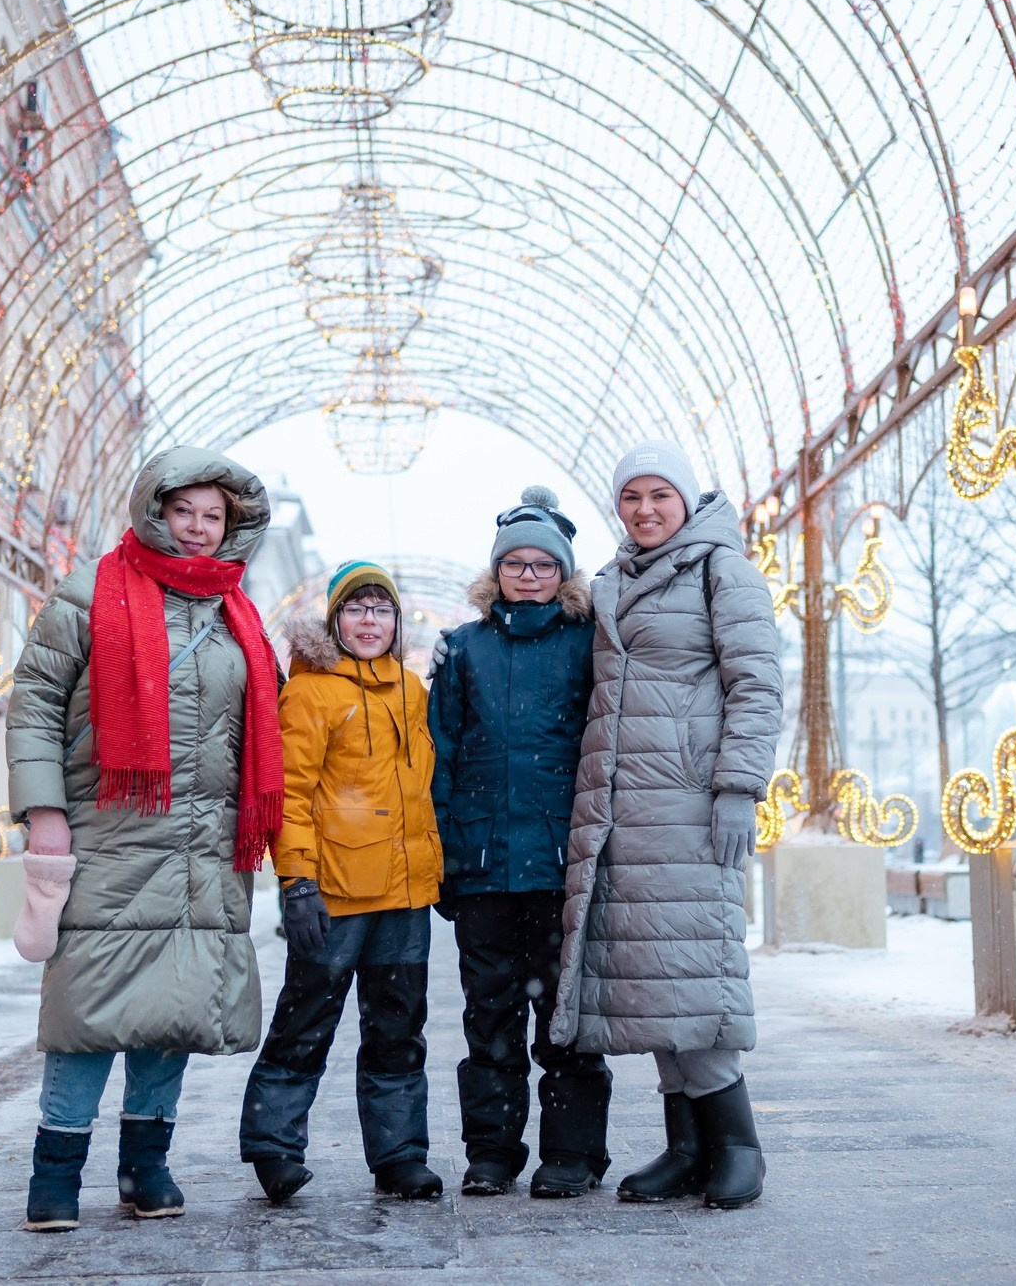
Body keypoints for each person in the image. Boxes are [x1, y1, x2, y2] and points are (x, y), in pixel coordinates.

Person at [5, 447, 284, 1231]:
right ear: (154, 510)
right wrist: (43, 810)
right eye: (183, 511)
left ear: (231, 526)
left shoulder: (237, 612)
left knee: (173, 1012)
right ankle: (55, 1173)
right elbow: (34, 704)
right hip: (111, 834)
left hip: (203, 847)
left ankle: (146, 1167)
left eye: (213, 516)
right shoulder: (89, 592)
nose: (197, 528)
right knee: (89, 1011)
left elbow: (267, 724)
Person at [549, 440, 783, 1210]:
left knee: (694, 969)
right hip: (624, 813)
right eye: (631, 497)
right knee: (654, 980)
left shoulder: (723, 571)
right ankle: (687, 1147)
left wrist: (738, 786)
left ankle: (738, 1143)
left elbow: (757, 683)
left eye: (659, 495)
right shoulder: (614, 579)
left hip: (688, 806)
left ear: (686, 499)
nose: (645, 509)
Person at [239, 560, 446, 1203]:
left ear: (396, 622)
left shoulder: (412, 690)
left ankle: (400, 1155)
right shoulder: (310, 693)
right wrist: (296, 882)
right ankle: (274, 1149)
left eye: (381, 610)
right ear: (335, 621)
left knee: (397, 1029)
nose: (369, 621)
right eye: (356, 609)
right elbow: (290, 795)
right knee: (306, 1020)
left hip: (404, 894)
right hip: (335, 893)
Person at [428, 487, 611, 1198]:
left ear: (562, 573)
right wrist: (445, 853)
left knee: (566, 1018)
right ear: (496, 571)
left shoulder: (587, 644)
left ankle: (571, 1153)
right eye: (515, 564)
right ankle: (492, 1151)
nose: (528, 576)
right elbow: (440, 755)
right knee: (489, 1019)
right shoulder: (464, 650)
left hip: (562, 867)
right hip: (482, 867)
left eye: (542, 565)